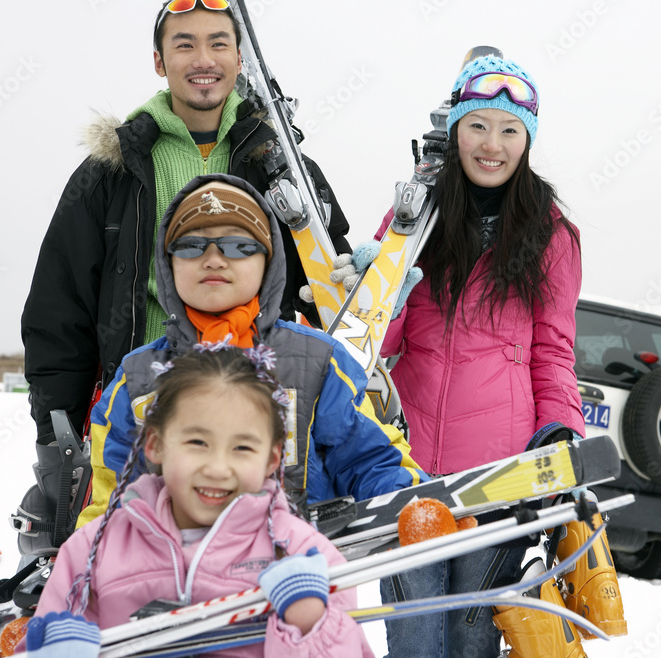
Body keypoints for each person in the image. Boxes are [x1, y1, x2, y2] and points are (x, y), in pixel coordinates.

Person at [18, 0, 351, 550]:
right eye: (185, 44)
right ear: (159, 60)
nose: (204, 59)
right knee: (143, 587)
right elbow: (59, 311)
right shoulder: (110, 173)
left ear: (240, 59)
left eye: (219, 43)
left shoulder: (285, 167)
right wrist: (58, 438)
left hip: (256, 422)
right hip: (143, 414)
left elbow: (325, 297)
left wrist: (347, 277)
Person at [362, 52, 622, 656]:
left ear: (527, 141)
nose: (492, 145)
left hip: (499, 478)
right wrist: (386, 285)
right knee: (416, 634)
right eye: (478, 125)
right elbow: (377, 340)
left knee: (471, 635)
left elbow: (553, 353)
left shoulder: (552, 236)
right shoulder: (414, 214)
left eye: (510, 130)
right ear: (455, 130)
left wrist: (561, 431)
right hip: (410, 470)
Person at [76, 173, 422, 529]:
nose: (213, 260)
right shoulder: (135, 382)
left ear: (267, 262)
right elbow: (111, 501)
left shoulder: (319, 363)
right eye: (191, 246)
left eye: (238, 246)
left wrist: (415, 505)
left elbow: (369, 459)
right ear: (168, 264)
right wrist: (84, 566)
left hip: (297, 573)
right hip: (177, 578)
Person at [27, 344, 375, 657]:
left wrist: (311, 626)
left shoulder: (304, 555)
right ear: (155, 445)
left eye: (242, 448)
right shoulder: (94, 551)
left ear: (272, 459)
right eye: (197, 443)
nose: (218, 468)